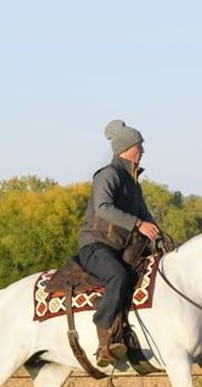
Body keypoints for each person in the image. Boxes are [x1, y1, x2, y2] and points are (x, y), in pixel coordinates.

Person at [77, 119, 160, 367]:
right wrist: (137, 224)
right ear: (125, 149)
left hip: (121, 248)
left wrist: (159, 240)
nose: (143, 151)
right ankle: (104, 337)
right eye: (139, 146)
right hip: (95, 246)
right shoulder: (108, 175)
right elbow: (103, 209)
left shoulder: (134, 183)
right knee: (118, 277)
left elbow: (147, 217)